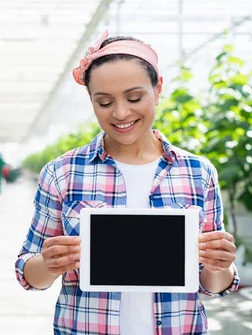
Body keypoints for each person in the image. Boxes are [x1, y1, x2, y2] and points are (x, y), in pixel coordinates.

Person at [15, 30, 239, 335]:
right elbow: (29, 273)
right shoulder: (63, 173)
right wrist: (50, 264)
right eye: (104, 102)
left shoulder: (197, 172)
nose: (121, 113)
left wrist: (219, 264)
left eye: (134, 98)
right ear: (91, 100)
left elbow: (213, 285)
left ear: (158, 89)